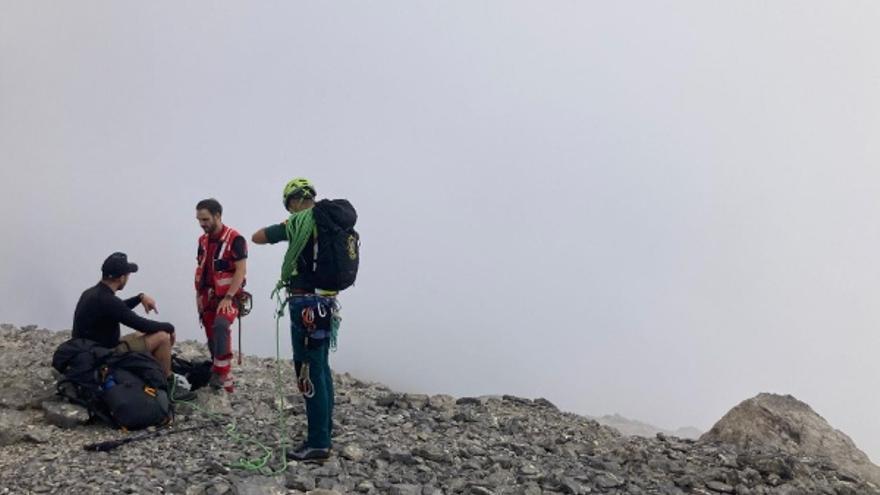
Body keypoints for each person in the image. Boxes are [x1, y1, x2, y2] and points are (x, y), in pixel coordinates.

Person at [252, 177, 358, 462]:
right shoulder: (332, 224)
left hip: (305, 305)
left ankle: (317, 443)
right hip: (326, 302)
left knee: (308, 371)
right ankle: (324, 431)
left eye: (289, 205)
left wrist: (289, 225)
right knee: (321, 368)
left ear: (295, 201)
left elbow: (258, 236)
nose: (290, 211)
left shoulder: (301, 221)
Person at [72, 252, 195, 401]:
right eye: (128, 274)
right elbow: (141, 323)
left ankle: (155, 372)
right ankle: (168, 386)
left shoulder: (92, 293)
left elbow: (119, 309)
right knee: (162, 336)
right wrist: (169, 327)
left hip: (89, 352)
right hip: (105, 356)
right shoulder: (108, 300)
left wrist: (139, 298)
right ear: (121, 277)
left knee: (138, 335)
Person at [195, 198, 247, 393]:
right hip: (207, 296)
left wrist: (228, 296)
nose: (202, 224)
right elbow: (201, 267)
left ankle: (220, 371)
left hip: (229, 296)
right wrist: (198, 297)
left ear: (218, 216)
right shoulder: (202, 241)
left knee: (221, 326)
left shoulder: (235, 239)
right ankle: (225, 387)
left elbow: (240, 271)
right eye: (199, 220)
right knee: (211, 337)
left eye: (206, 219)